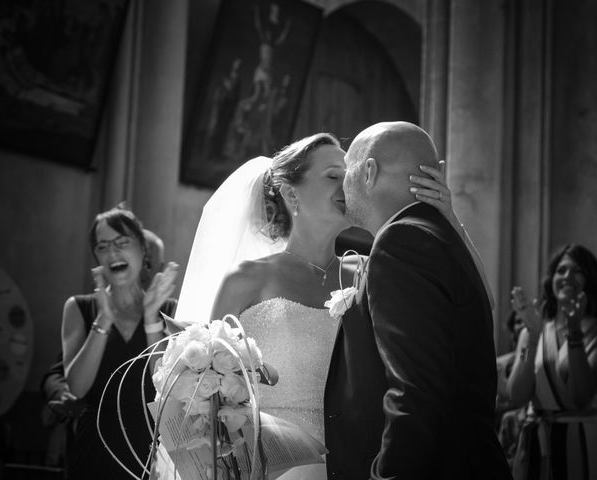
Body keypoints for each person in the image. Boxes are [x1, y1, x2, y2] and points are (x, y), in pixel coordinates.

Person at [167, 131, 463, 479]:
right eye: (333, 176)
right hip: (266, 468)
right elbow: (205, 394)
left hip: (359, 466)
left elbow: (467, 305)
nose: (346, 185)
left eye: (349, 174)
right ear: (292, 192)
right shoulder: (245, 281)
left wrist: (450, 220)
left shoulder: (371, 271)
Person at [330, 121, 512, 479]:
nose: (341, 185)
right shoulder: (436, 236)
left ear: (368, 171)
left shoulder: (401, 244)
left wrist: (389, 474)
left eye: (346, 170)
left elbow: (416, 391)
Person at [61, 206, 178, 479]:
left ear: (142, 250)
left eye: (122, 242)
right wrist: (104, 319)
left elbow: (167, 388)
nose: (113, 252)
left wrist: (151, 320)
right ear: (98, 258)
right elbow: (77, 388)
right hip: (93, 451)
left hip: (149, 451)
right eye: (103, 247)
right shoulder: (79, 308)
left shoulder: (169, 310)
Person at [507, 244, 597, 480]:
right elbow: (516, 396)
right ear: (551, 279)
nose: (567, 276)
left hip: (582, 443)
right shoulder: (535, 329)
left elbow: (580, 398)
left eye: (577, 270)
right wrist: (534, 338)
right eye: (561, 270)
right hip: (537, 444)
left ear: (589, 278)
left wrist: (574, 331)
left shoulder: (594, 331)